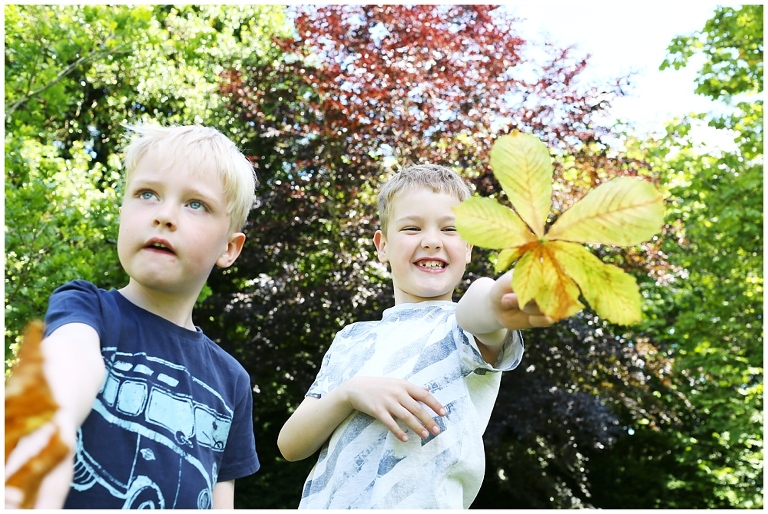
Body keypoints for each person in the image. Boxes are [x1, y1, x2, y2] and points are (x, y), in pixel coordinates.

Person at [4, 124, 261, 509]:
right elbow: (68, 365)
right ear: (122, 213)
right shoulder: (85, 308)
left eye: (196, 204)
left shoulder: (232, 381)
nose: (164, 215)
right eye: (147, 194)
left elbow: (219, 498)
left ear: (229, 248)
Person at [277, 164, 556, 509]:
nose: (432, 240)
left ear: (469, 247)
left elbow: (477, 311)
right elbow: (290, 445)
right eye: (412, 227)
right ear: (383, 246)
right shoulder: (351, 338)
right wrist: (350, 393)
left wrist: (496, 300)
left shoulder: (460, 329)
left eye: (450, 229)